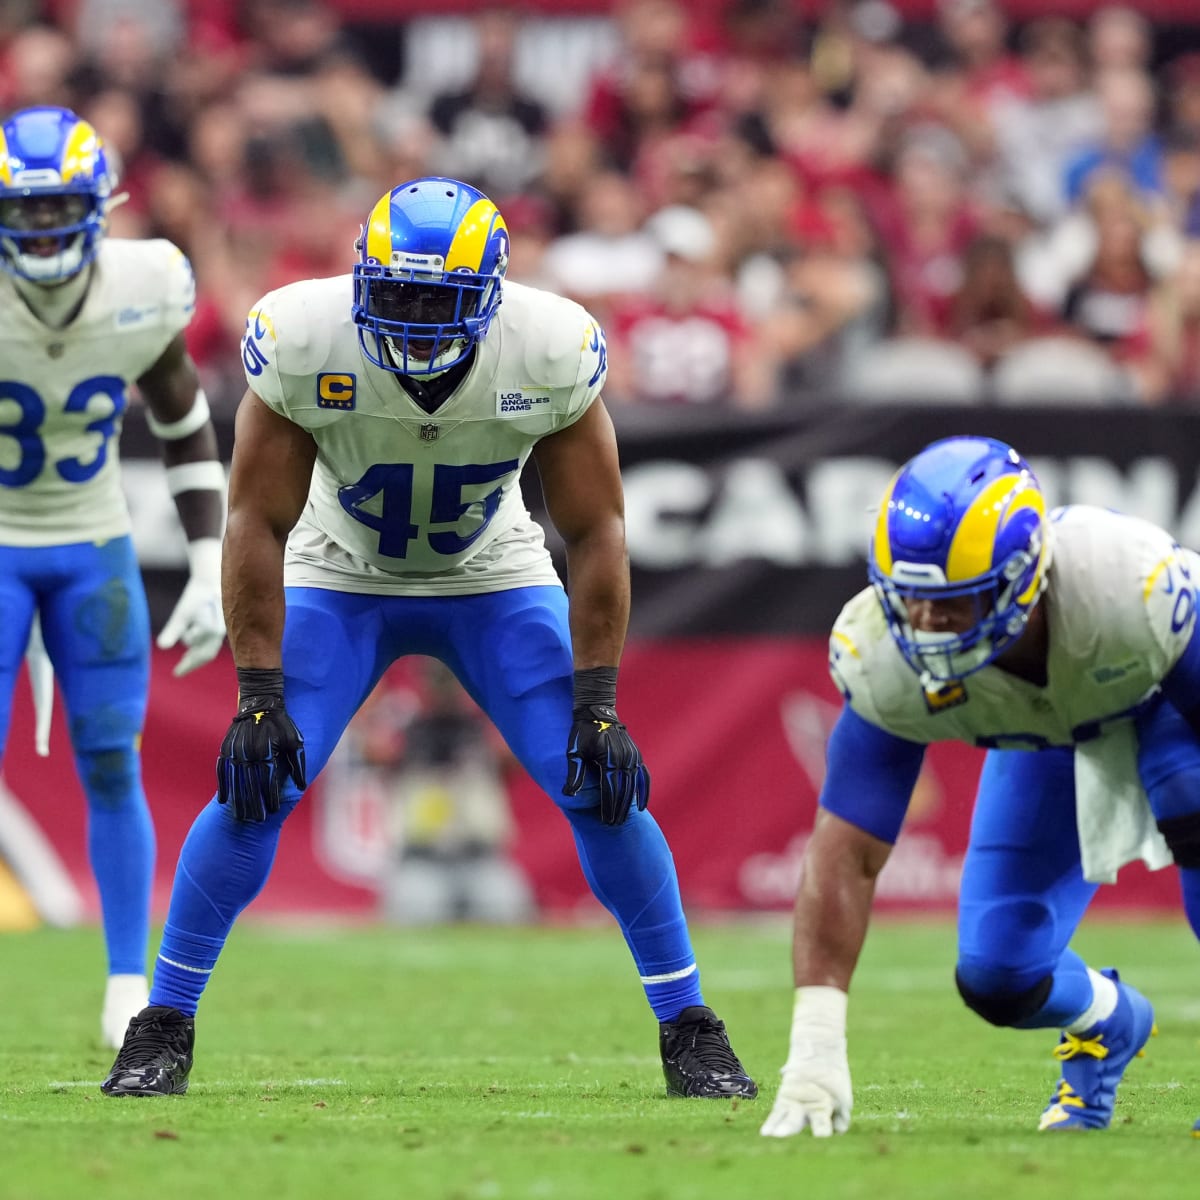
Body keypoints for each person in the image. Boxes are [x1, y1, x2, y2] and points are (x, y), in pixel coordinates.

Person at [100, 175, 757, 1101]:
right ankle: (162, 1021)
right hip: (339, 571)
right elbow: (255, 520)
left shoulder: (550, 347)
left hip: (491, 575)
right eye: (395, 295)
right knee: (255, 780)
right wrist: (257, 694)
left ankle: (690, 1024)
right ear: (361, 279)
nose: (411, 320)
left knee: (599, 783)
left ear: (489, 295)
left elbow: (599, 531)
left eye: (436, 300)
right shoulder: (303, 336)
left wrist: (599, 705)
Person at [760, 434, 1200, 1139]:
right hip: (1054, 739)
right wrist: (815, 1049)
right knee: (999, 976)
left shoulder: (1129, 589)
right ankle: (1109, 1019)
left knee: (1190, 791)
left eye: (953, 603)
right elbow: (848, 851)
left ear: (1022, 579)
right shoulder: (882, 656)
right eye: (909, 601)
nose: (926, 625)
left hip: (1164, 705)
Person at [0, 107, 226, 1047]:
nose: (45, 230)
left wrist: (210, 560)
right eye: (27, 211)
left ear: (100, 209)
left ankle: (128, 981)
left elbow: (182, 417)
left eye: (61, 210)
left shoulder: (145, 286)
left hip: (94, 545)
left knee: (108, 759)